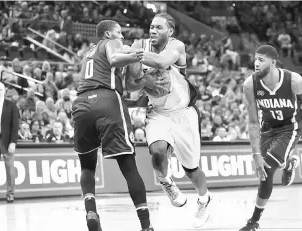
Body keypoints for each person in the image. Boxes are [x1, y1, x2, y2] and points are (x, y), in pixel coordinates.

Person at [126, 13, 211, 228]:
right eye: (151, 27)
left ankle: (203, 200)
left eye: (159, 28)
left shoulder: (177, 46)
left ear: (170, 31)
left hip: (184, 114)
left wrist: (132, 54)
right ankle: (166, 181)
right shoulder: (141, 45)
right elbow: (130, 86)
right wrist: (144, 80)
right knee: (157, 152)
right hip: (158, 113)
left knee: (192, 170)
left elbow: (163, 61)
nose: (153, 31)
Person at [71, 20, 153, 231]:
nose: (122, 37)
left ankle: (91, 211)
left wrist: (141, 78)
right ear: (108, 34)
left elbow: (128, 84)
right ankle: (146, 226)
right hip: (106, 101)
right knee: (129, 166)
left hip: (81, 104)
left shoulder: (88, 53)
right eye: (119, 32)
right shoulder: (111, 44)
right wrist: (139, 54)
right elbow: (115, 59)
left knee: (87, 166)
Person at [239, 45, 302, 231]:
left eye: (261, 60)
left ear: (273, 62)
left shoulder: (294, 80)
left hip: (290, 127)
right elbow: (252, 122)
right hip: (268, 128)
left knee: (267, 169)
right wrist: (255, 154)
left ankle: (253, 222)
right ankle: (289, 163)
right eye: (255, 59)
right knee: (264, 164)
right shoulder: (250, 84)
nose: (256, 63)